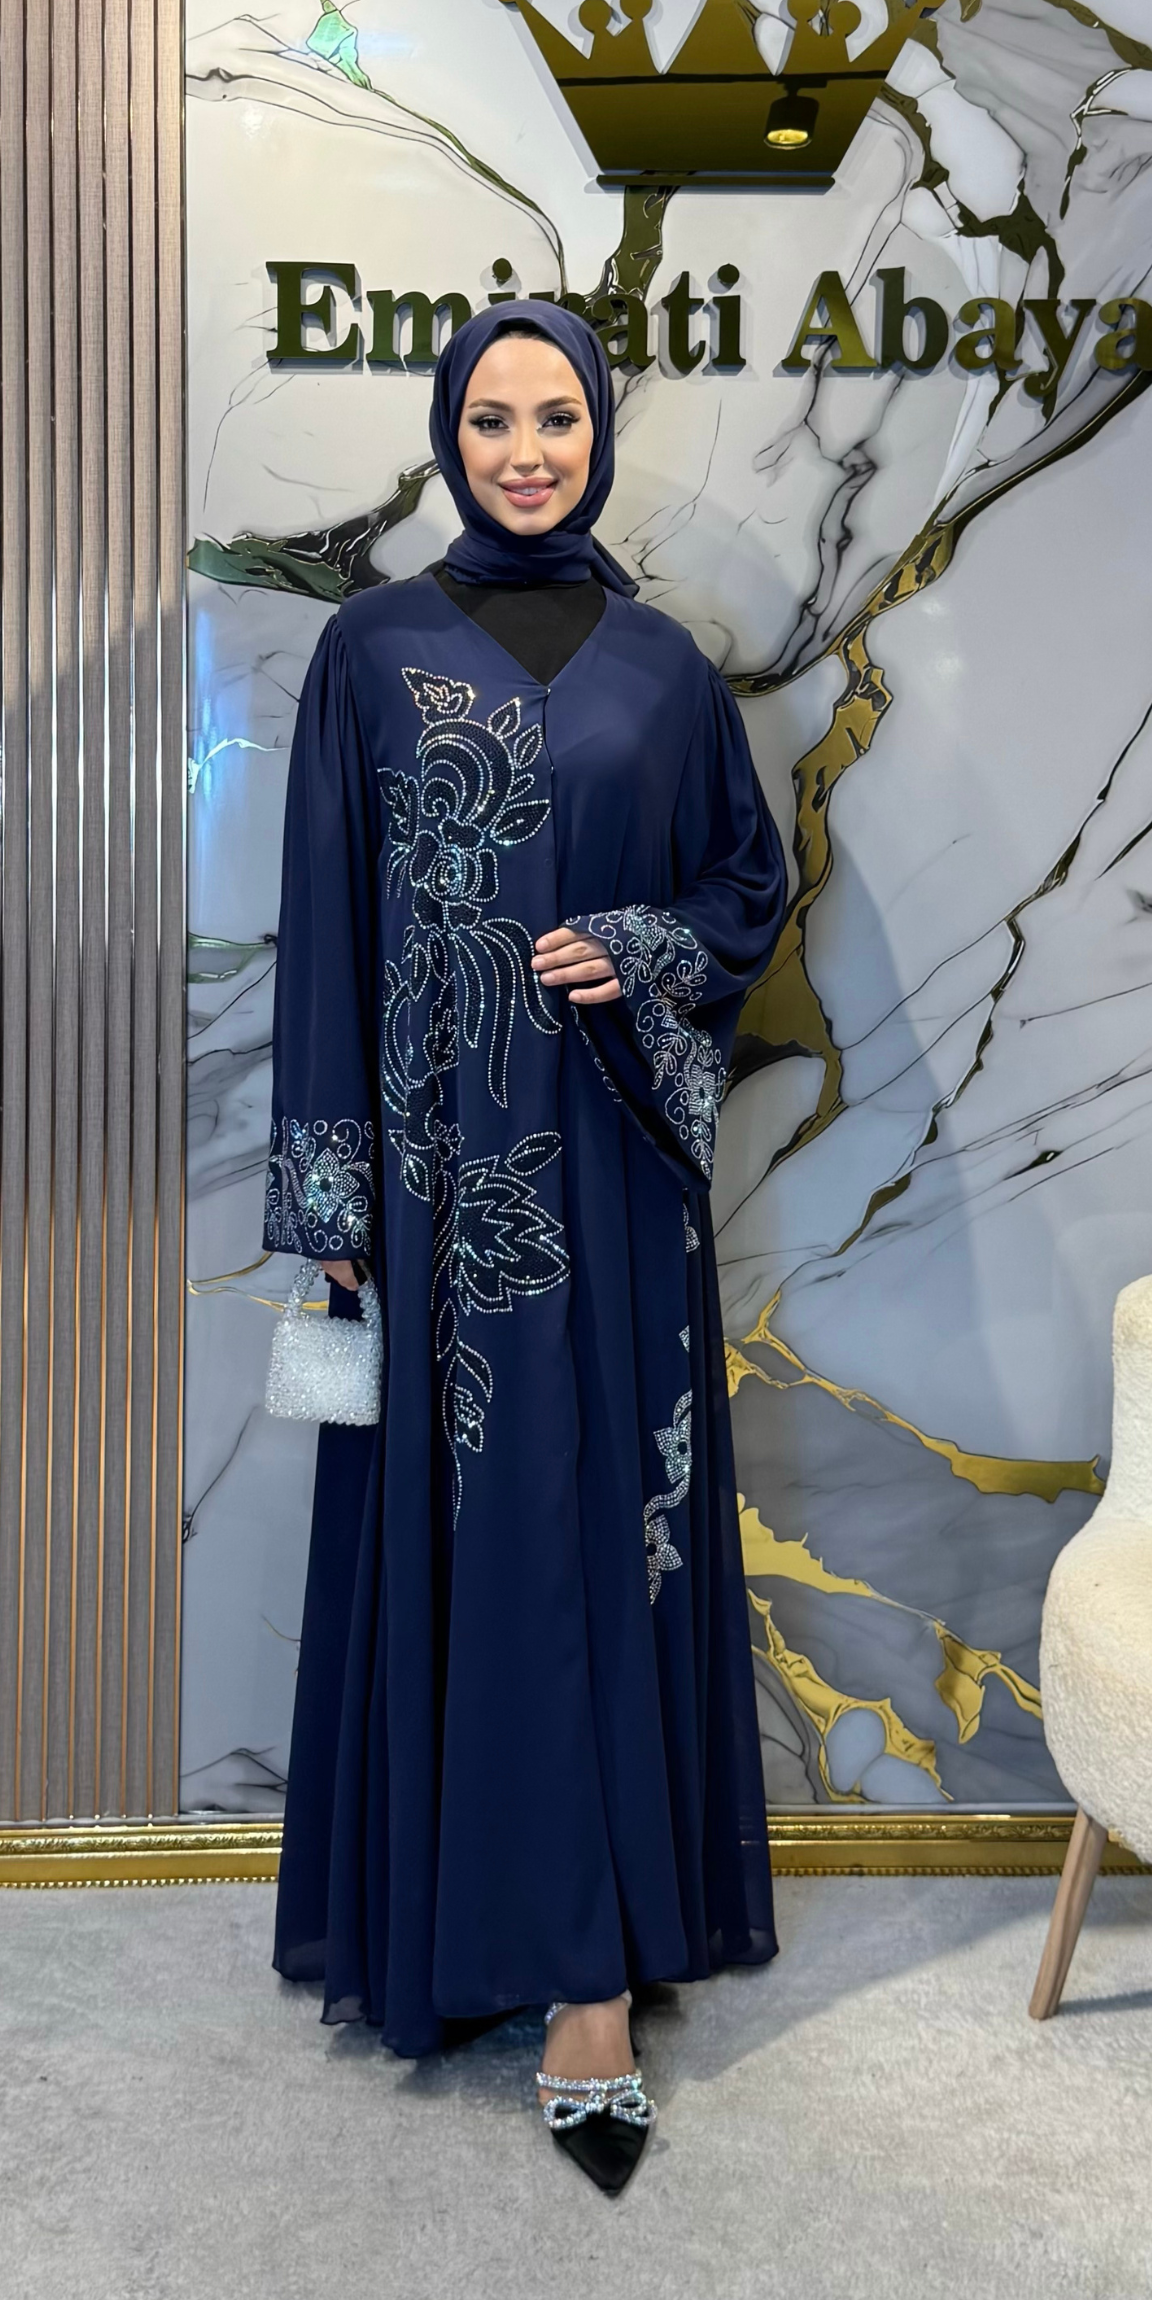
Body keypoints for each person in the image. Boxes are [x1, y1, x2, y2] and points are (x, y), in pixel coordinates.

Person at [262, 301, 787, 2194]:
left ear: (599, 432)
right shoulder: (373, 650)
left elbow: (747, 886)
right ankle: (464, 1924)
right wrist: (333, 1209)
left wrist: (636, 949)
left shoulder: (666, 669)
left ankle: (588, 1979)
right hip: (431, 1194)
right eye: (490, 419)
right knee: (467, 1541)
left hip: (614, 1182)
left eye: (557, 415)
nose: (526, 450)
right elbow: (325, 920)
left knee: (593, 1544)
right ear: (449, 435)